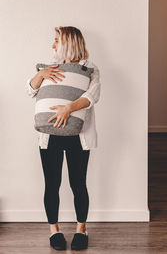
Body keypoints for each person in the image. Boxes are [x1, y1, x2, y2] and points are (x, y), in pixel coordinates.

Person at [25, 26, 101, 250]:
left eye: (57, 40)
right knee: (52, 184)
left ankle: (81, 230)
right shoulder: (49, 67)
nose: (53, 45)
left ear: (69, 42)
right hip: (49, 135)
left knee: (78, 183)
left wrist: (68, 108)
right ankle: (54, 231)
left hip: (79, 135)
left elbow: (93, 94)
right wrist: (40, 74)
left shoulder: (89, 68)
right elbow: (29, 90)